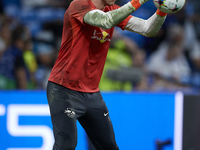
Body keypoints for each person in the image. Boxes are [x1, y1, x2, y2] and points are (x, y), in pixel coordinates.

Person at [46, 0, 167, 149]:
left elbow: (148, 29)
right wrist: (139, 1)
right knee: (66, 145)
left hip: (92, 94)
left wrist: (163, 11)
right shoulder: (79, 5)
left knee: (109, 146)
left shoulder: (112, 9)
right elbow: (106, 20)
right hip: (64, 89)